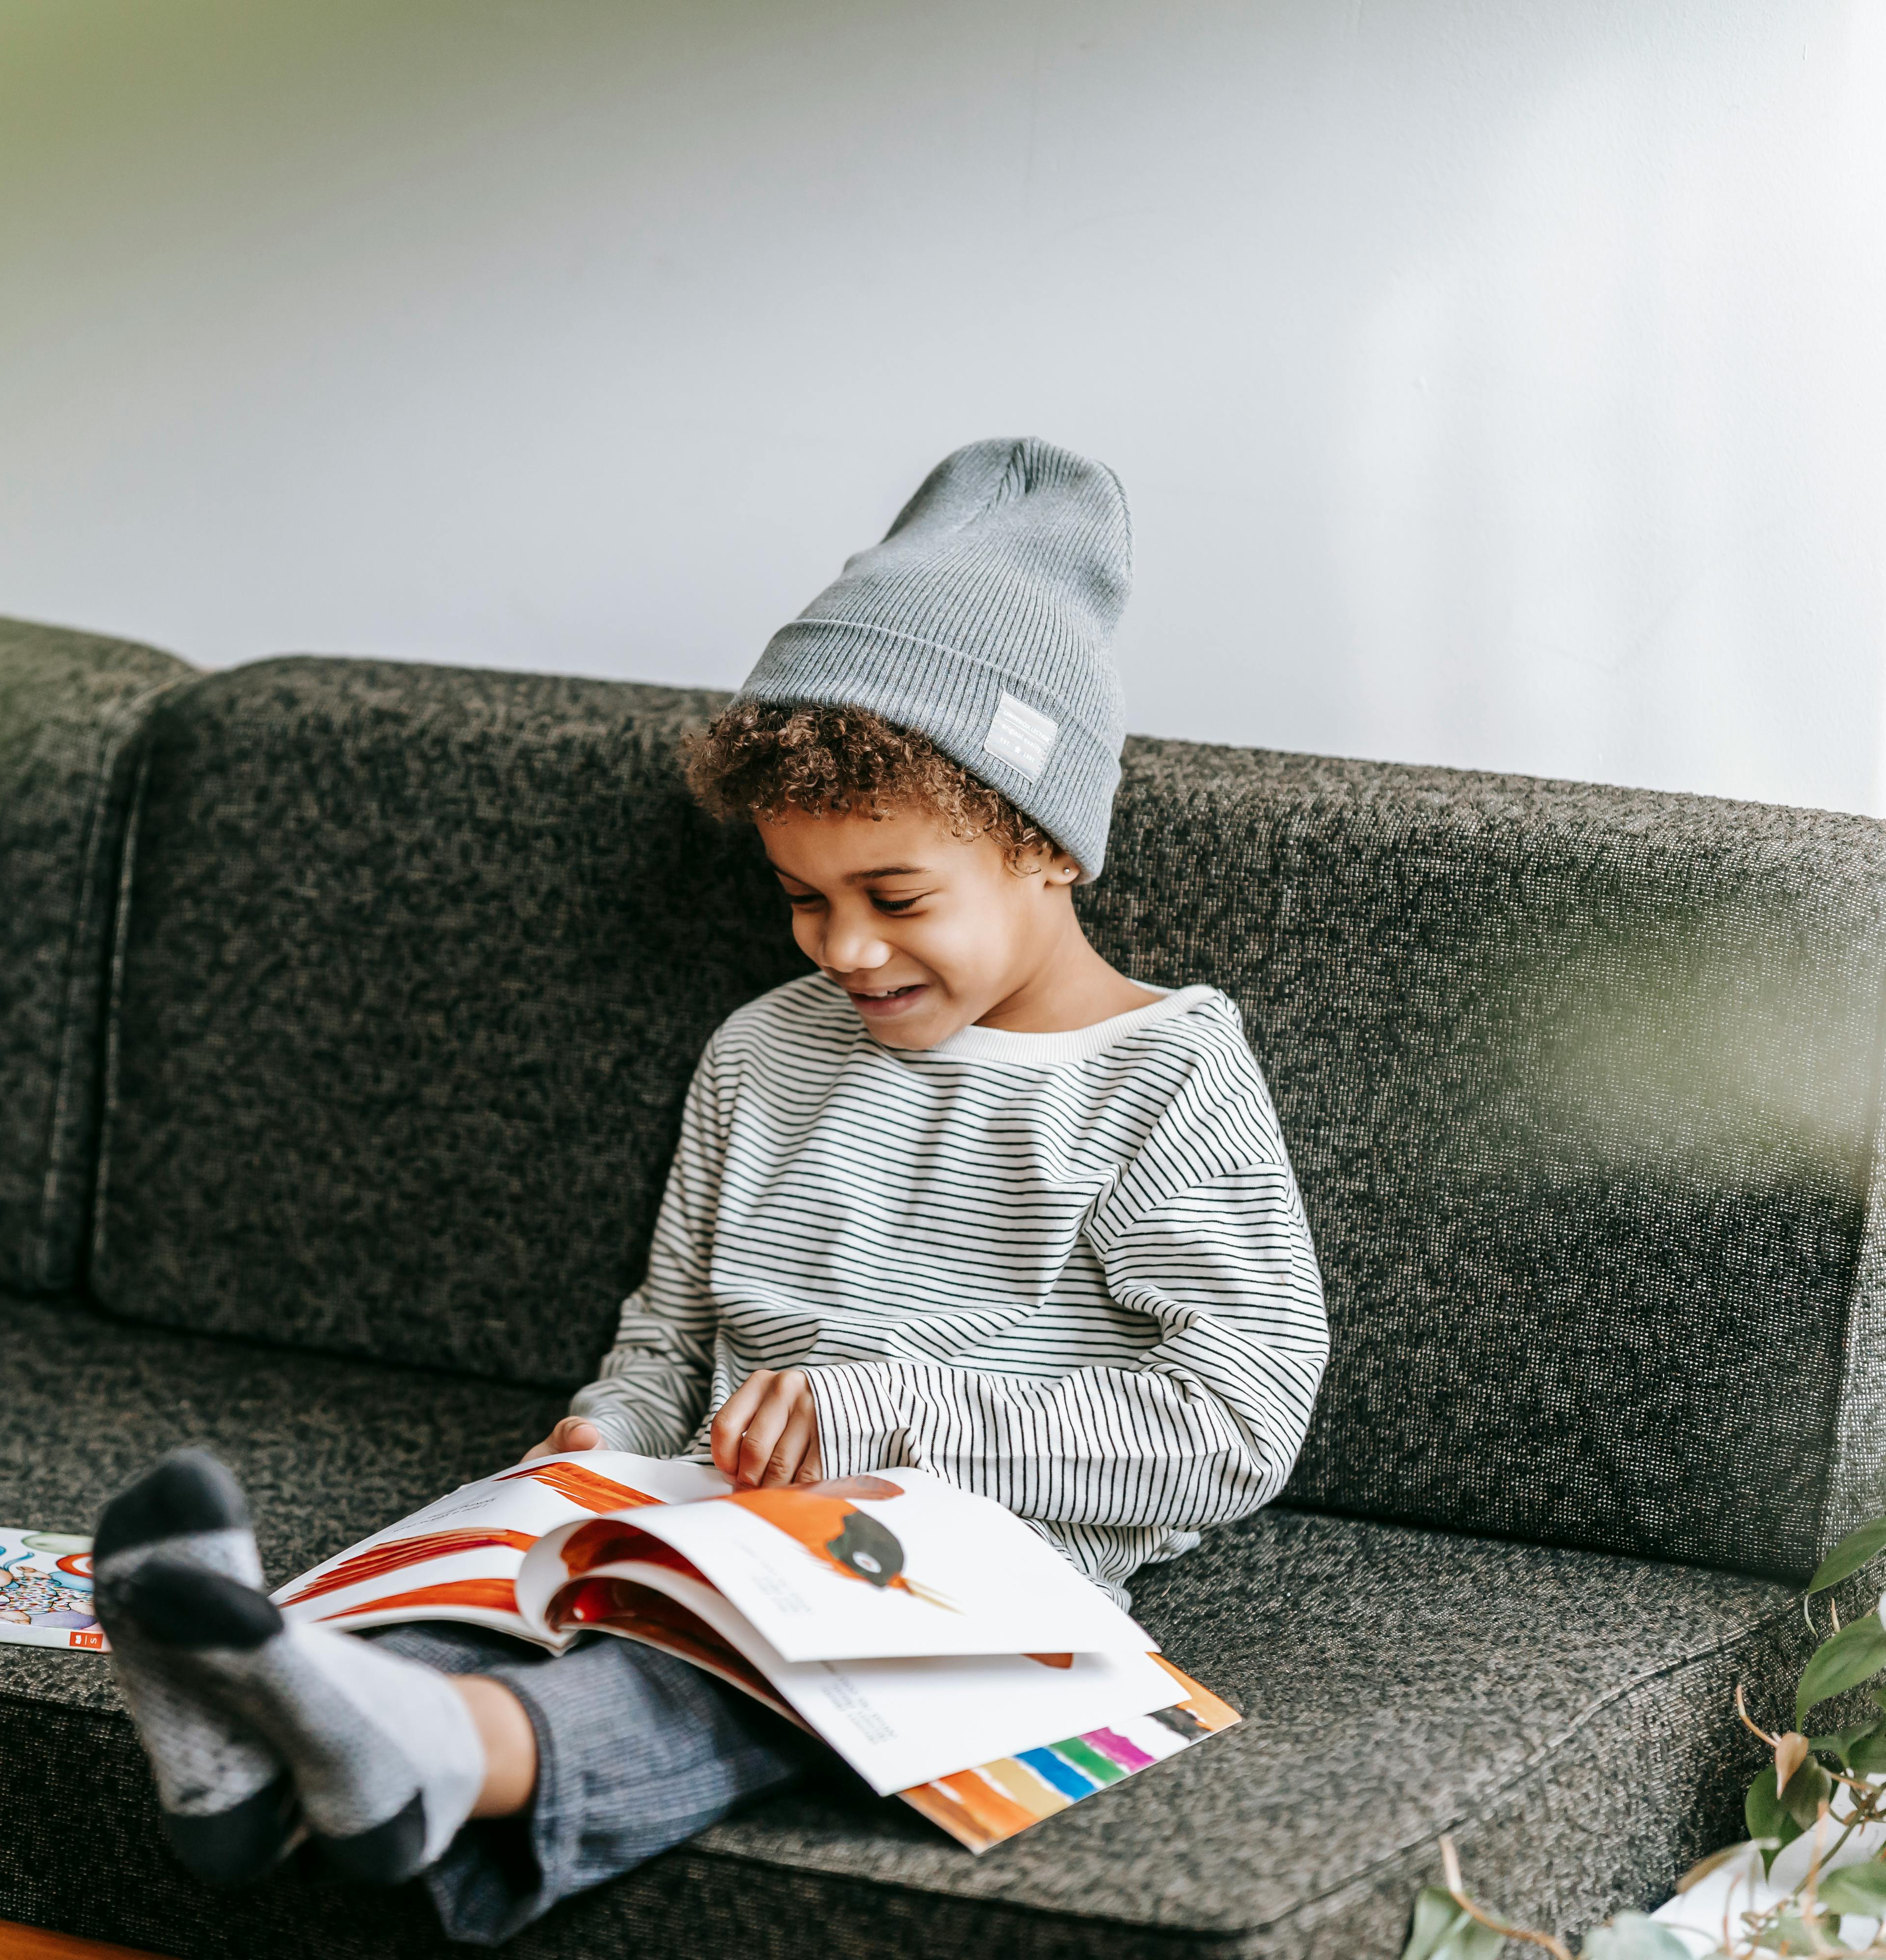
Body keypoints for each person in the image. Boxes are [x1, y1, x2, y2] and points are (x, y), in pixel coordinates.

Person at [91, 438, 1331, 1944]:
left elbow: (1238, 1422)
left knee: (725, 1673)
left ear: (1048, 848)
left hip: (967, 1572)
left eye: (896, 899)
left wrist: (881, 1410)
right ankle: (260, 1718)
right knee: (506, 1575)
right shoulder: (762, 1054)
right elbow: (669, 1333)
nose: (844, 951)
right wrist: (601, 1441)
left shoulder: (1160, 1081)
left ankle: (419, 1757)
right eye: (802, 898)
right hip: (695, 1516)